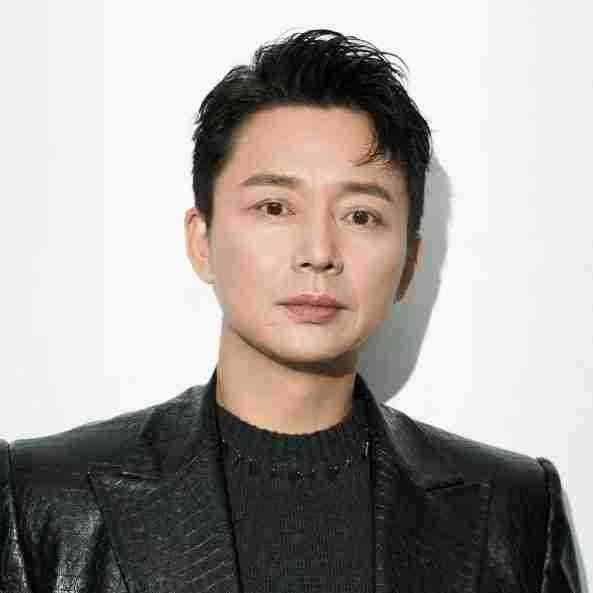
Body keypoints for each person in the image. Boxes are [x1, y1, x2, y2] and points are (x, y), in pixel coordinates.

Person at [0, 29, 581, 593]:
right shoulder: (45, 498)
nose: (319, 253)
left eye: (360, 216)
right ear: (202, 241)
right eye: (275, 207)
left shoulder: (517, 507)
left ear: (408, 263)